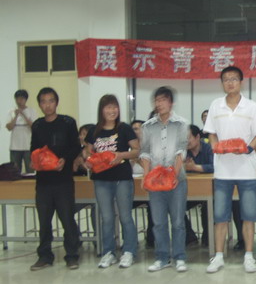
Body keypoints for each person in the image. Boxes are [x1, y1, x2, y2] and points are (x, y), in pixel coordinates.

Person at [203, 66, 256, 274]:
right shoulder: (215, 105)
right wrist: (215, 146)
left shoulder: (252, 107)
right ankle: (218, 256)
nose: (230, 82)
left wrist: (247, 149)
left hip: (247, 170)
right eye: (226, 79)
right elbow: (211, 133)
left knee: (249, 215)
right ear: (222, 83)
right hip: (222, 171)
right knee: (220, 216)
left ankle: (249, 256)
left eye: (234, 79)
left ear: (241, 82)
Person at [84, 94, 140, 269]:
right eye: (108, 107)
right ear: (102, 110)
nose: (112, 110)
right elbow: (87, 152)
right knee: (107, 218)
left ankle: (129, 251)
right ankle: (108, 252)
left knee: (125, 216)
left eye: (115, 107)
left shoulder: (124, 128)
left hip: (122, 178)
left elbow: (137, 150)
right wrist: (88, 160)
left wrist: (121, 155)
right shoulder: (94, 131)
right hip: (101, 179)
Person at [29, 87, 82, 271]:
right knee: (44, 221)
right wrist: (33, 161)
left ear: (56, 102)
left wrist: (65, 160)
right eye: (43, 101)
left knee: (67, 219)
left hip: (63, 180)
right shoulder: (37, 125)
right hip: (43, 182)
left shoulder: (68, 122)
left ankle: (72, 255)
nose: (48, 105)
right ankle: (44, 256)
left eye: (51, 101)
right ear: (39, 104)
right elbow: (34, 149)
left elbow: (75, 146)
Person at [140, 86, 190, 273]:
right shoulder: (147, 126)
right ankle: (162, 258)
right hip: (155, 181)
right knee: (159, 222)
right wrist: (146, 176)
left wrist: (174, 175)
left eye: (163, 100)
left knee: (177, 221)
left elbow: (181, 151)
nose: (159, 104)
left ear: (171, 102)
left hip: (177, 181)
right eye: (157, 100)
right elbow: (145, 152)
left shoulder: (181, 124)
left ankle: (179, 257)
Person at [184, 124, 213, 246]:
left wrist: (194, 167)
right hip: (189, 192)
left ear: (197, 137)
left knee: (208, 206)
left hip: (209, 191)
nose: (186, 141)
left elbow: (214, 166)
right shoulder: (183, 152)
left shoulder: (208, 148)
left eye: (188, 137)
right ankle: (190, 237)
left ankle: (208, 238)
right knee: (175, 206)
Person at [5, 89, 37, 173]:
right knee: (14, 171)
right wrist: (16, 116)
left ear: (26, 99)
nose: (19, 101)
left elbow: (34, 127)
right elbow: (9, 127)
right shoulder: (11, 111)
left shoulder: (31, 111)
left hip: (28, 146)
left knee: (30, 171)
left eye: (21, 98)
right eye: (17, 99)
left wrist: (24, 114)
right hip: (15, 146)